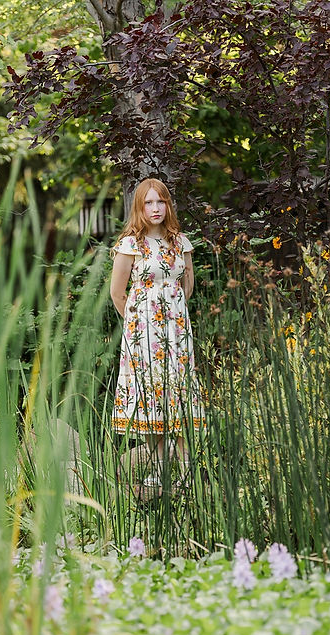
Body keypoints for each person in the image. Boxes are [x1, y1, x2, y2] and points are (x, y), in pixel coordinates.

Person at [109, 178, 205, 490]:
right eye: (148, 202)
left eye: (160, 202)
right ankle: (159, 467)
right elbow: (117, 293)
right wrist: (140, 323)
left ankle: (187, 467)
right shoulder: (130, 245)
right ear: (139, 206)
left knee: (177, 393)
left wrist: (172, 316)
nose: (155, 208)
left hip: (176, 333)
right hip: (143, 335)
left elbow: (187, 286)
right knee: (152, 395)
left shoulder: (181, 242)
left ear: (167, 205)